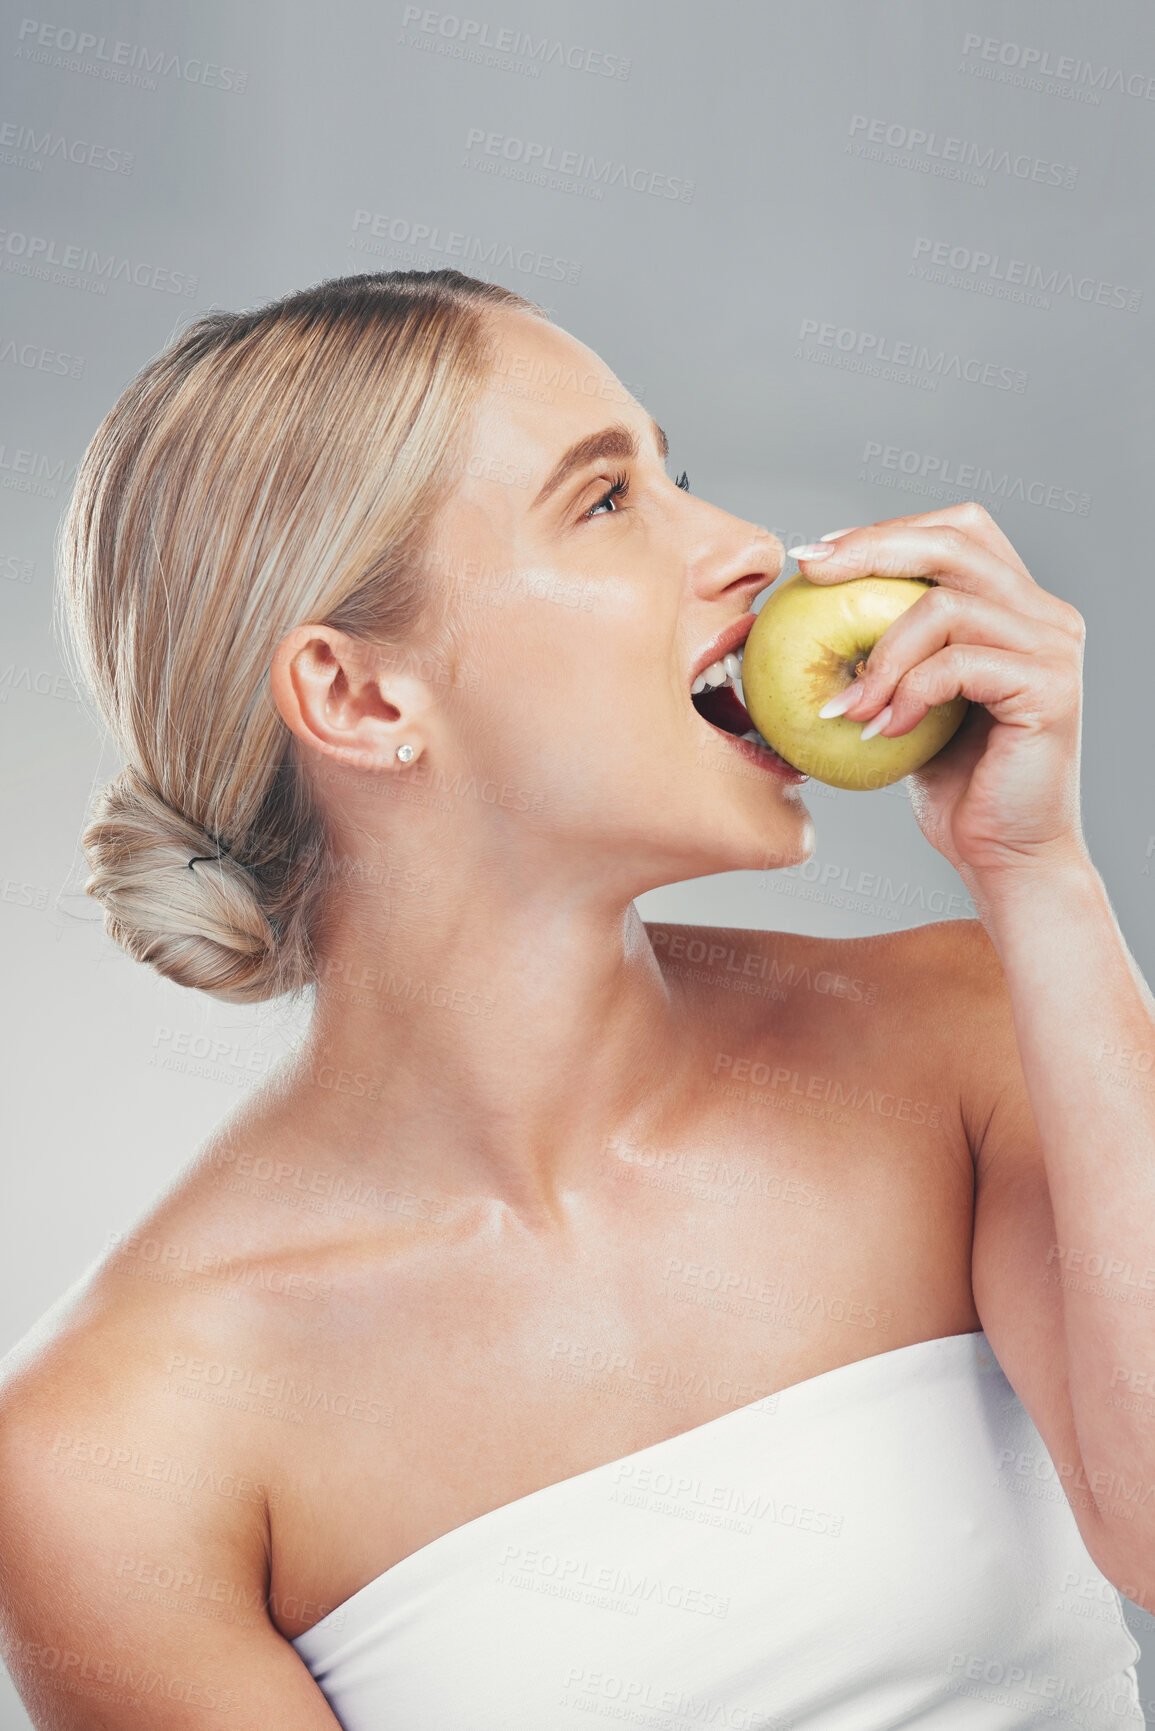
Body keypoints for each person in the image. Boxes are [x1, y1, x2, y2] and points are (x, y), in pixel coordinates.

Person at [0, 268, 1151, 1728]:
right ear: (359, 698)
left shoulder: (955, 1034)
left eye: (673, 475)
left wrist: (1038, 870)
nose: (746, 548)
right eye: (607, 503)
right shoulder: (111, 1447)